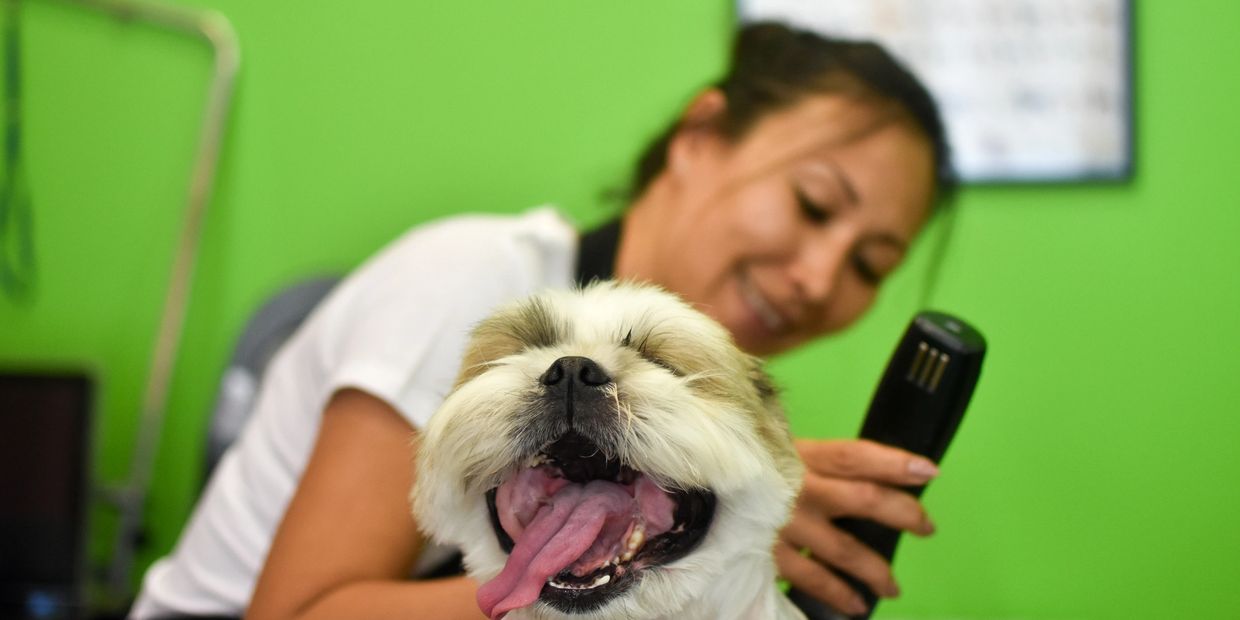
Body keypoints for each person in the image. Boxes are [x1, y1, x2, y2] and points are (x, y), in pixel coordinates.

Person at [132, 22, 956, 620]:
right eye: (812, 205)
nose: (819, 279)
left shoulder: (691, 425)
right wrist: (686, 560)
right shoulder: (470, 278)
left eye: (868, 266)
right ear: (700, 136)